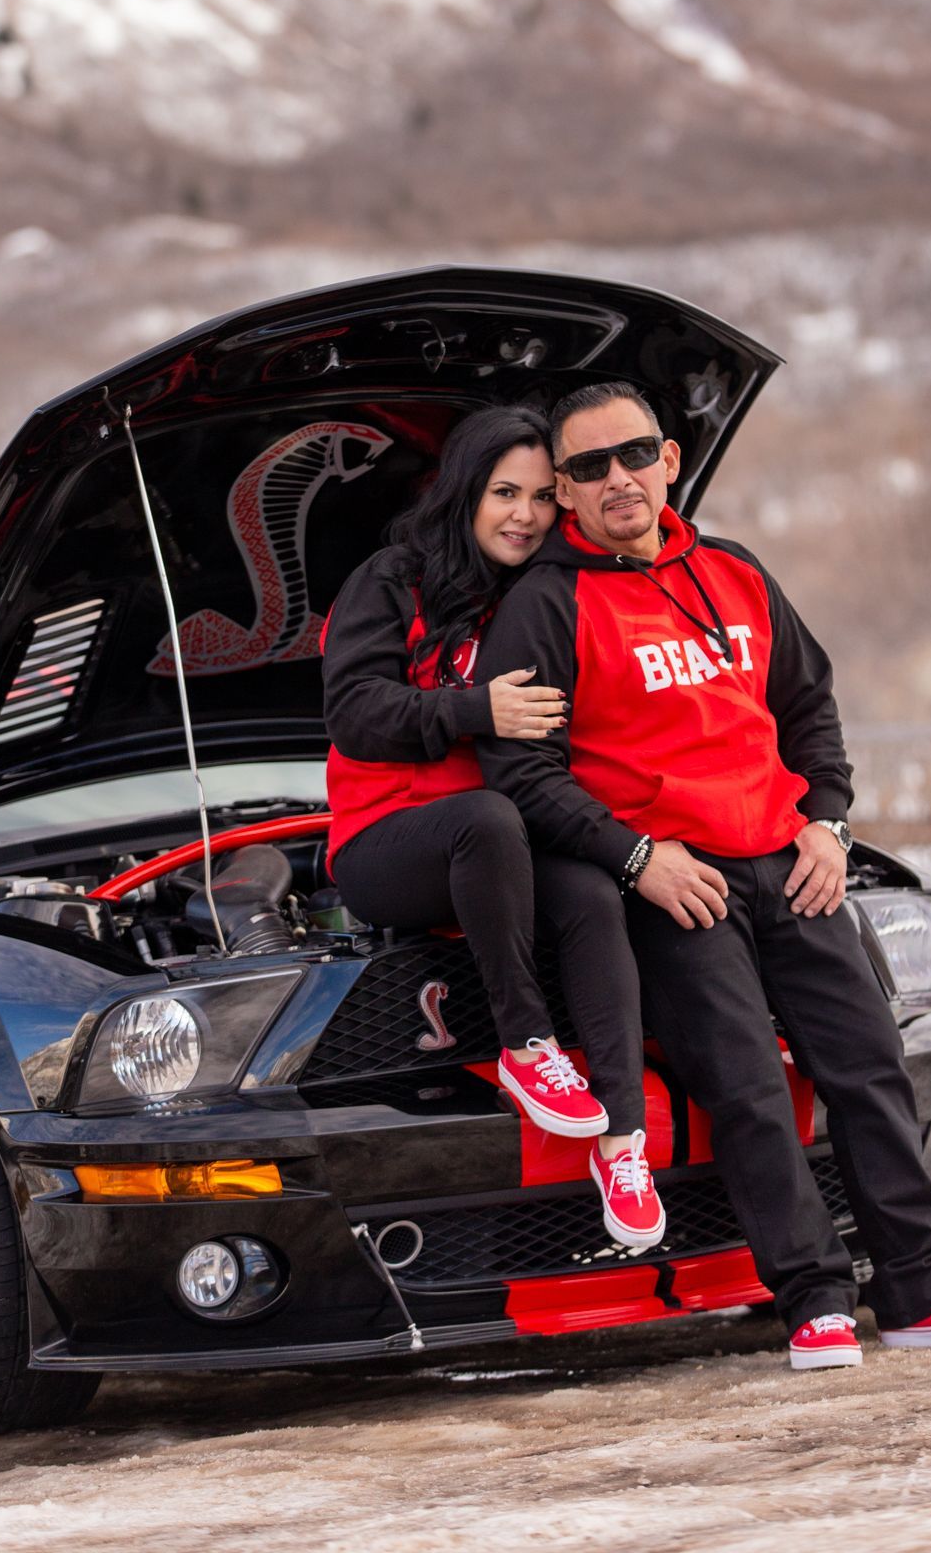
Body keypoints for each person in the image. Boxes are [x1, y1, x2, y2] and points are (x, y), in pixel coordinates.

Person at [475, 380, 931, 1368]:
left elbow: (808, 702)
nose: (617, 477)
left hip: (792, 866)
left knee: (869, 1068)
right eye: (589, 466)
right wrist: (637, 857)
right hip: (675, 884)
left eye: (634, 453)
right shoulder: (542, 606)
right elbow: (518, 772)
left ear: (668, 459)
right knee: (746, 1088)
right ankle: (814, 1298)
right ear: (564, 493)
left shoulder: (735, 571)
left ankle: (924, 1288)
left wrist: (827, 819)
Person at [321, 405, 665, 1248]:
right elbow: (356, 713)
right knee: (482, 815)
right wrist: (477, 711)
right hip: (385, 843)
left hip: (501, 847)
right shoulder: (389, 581)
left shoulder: (542, 591)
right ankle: (526, 1044)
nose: (525, 514)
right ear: (464, 492)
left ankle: (622, 1141)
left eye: (544, 497)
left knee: (587, 891)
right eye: (503, 492)